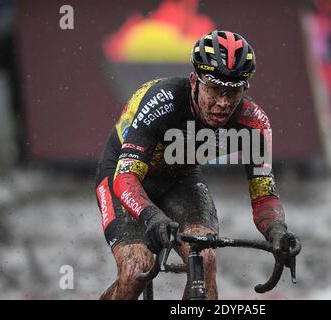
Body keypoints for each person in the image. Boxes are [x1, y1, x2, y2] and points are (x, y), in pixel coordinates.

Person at [95, 30, 301, 300]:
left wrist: (277, 231)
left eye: (233, 92)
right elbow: (126, 178)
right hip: (124, 176)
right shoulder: (162, 100)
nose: (223, 103)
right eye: (214, 90)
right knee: (138, 269)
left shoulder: (253, 124)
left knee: (204, 260)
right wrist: (151, 216)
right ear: (195, 81)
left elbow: (264, 197)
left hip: (180, 177)